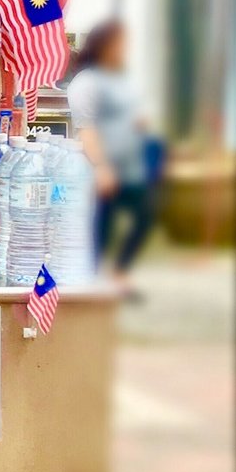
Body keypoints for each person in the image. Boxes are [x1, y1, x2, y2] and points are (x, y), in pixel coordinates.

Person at [66, 19, 158, 286]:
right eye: (120, 43)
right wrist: (101, 166)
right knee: (101, 222)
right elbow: (87, 129)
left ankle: (116, 271)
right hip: (102, 167)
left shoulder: (119, 79)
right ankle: (96, 278)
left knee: (144, 214)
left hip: (130, 164)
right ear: (104, 45)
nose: (125, 49)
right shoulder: (86, 82)